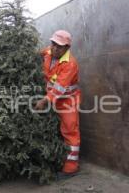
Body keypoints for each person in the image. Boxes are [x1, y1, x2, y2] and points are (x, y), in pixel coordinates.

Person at [34, 30, 81, 179]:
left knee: (69, 131)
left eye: (59, 46)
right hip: (50, 97)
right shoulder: (48, 51)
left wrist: (44, 101)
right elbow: (38, 54)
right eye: (53, 44)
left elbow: (59, 88)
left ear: (67, 48)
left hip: (67, 101)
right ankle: (55, 159)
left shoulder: (70, 64)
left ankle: (70, 168)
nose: (54, 48)